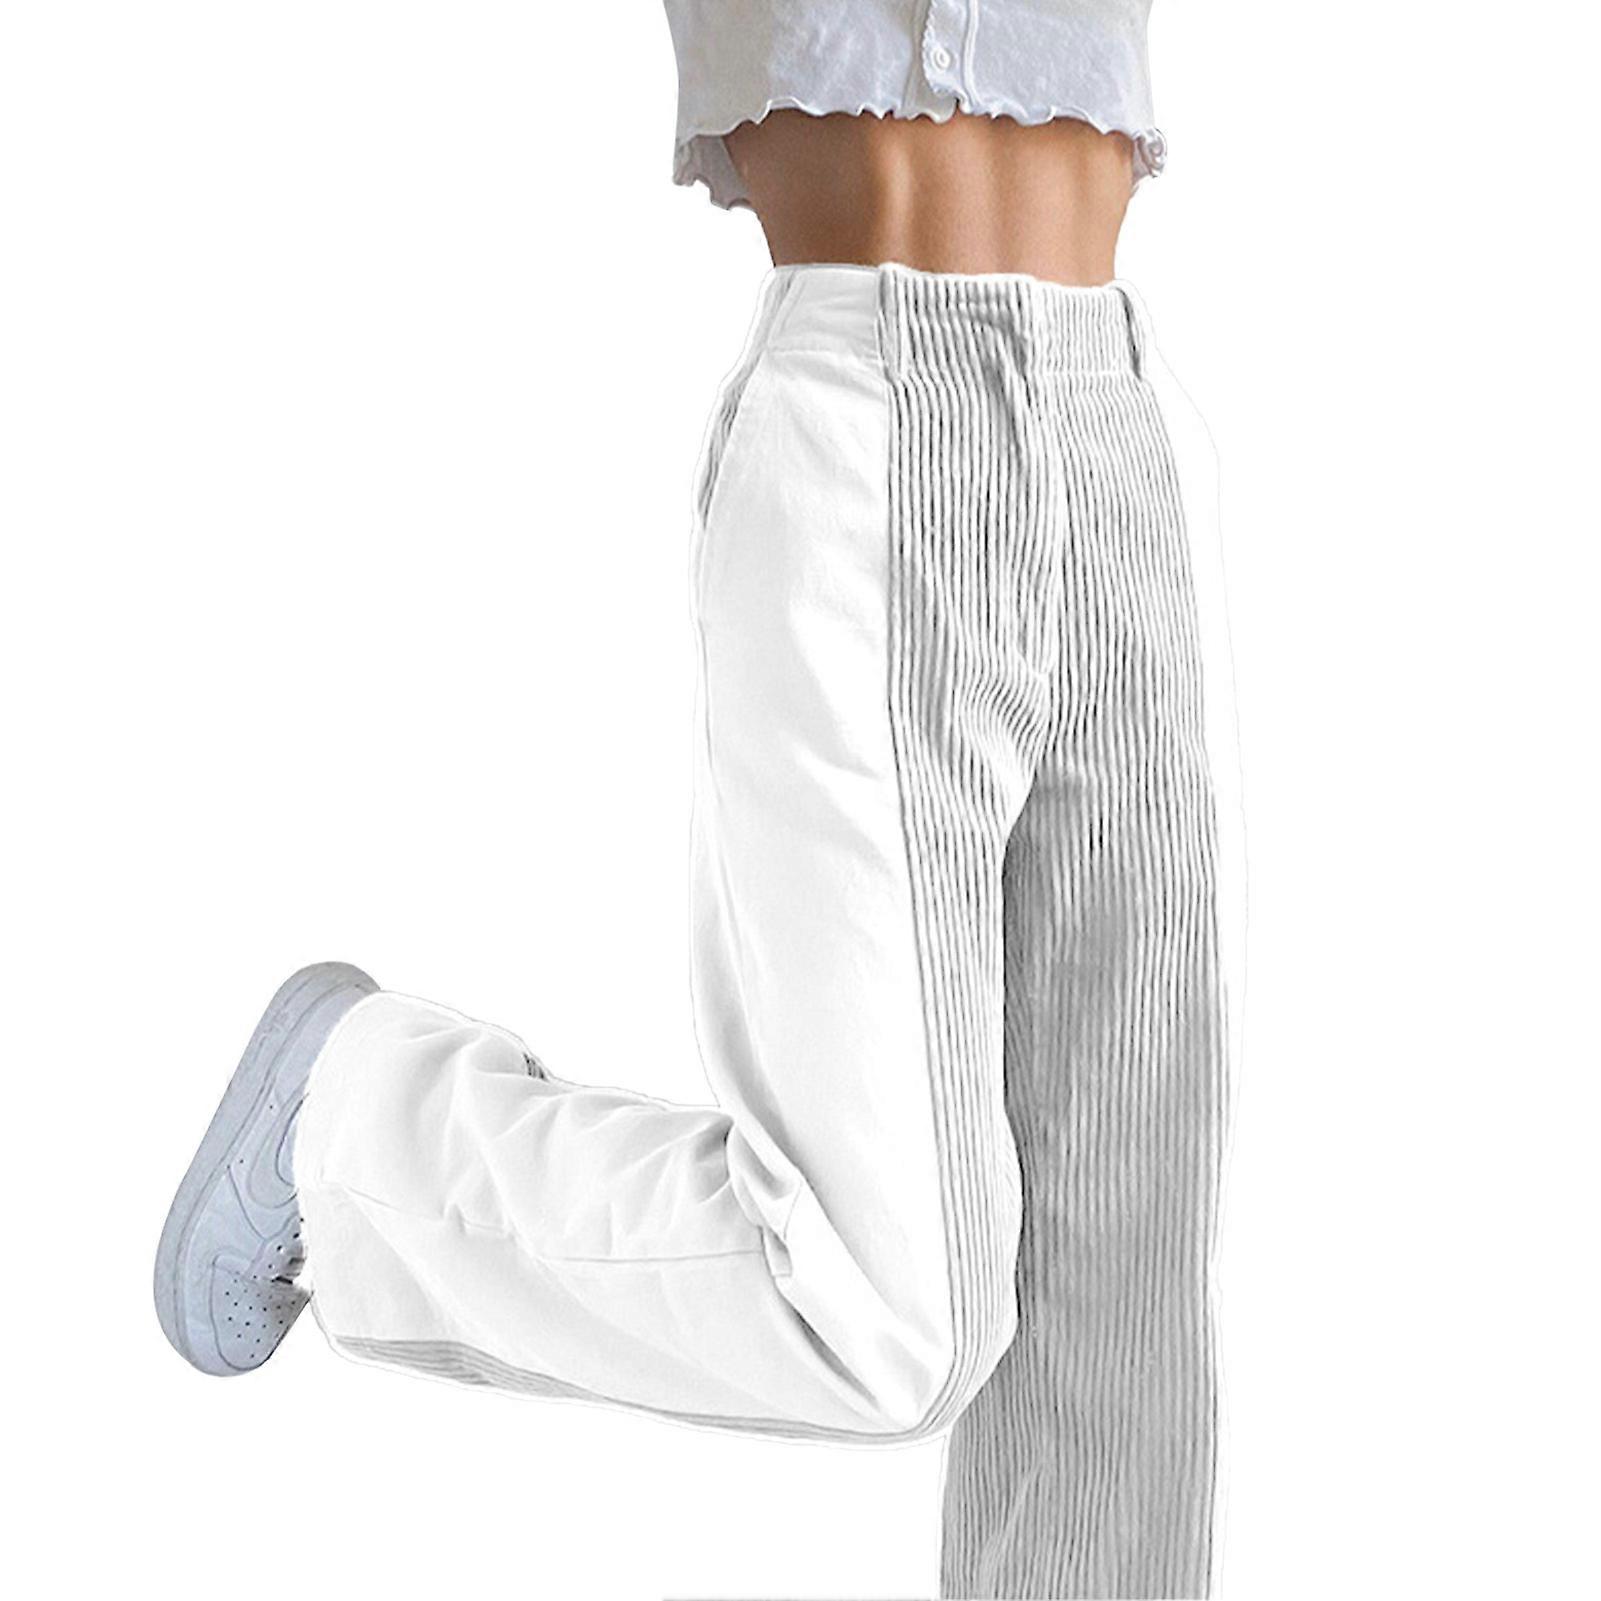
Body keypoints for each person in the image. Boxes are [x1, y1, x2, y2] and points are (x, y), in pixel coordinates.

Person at [154, 5, 1247, 1597]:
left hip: (1115, 418)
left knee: (1120, 1296)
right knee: (885, 1315)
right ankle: (357, 1126)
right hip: (883, 410)